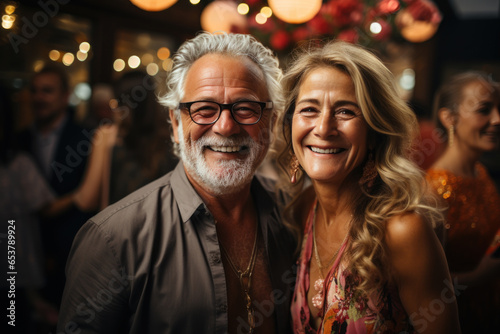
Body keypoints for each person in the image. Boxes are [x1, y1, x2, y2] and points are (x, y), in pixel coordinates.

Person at [57, 32, 296, 334]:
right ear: (174, 123)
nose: (225, 126)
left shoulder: (295, 216)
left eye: (246, 108)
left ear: (271, 123)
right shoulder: (112, 240)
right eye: (204, 108)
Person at [274, 40, 461, 333]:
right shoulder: (303, 209)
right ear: (290, 125)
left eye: (346, 111)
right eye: (309, 109)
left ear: (375, 132)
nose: (323, 128)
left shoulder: (402, 230)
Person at [426, 72, 500, 333]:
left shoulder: (481, 173)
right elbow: (423, 287)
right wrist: (478, 276)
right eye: (484, 110)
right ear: (449, 118)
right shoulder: (432, 192)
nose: (497, 119)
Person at [16, 64, 94, 309]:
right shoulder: (18, 140)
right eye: (35, 91)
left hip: (69, 254)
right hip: (22, 252)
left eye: (47, 91)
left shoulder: (86, 139)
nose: (39, 97)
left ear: (65, 96)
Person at [74, 71, 178, 212]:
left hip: (118, 229)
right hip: (158, 228)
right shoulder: (171, 139)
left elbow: (86, 200)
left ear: (124, 106)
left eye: (115, 103)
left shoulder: (108, 136)